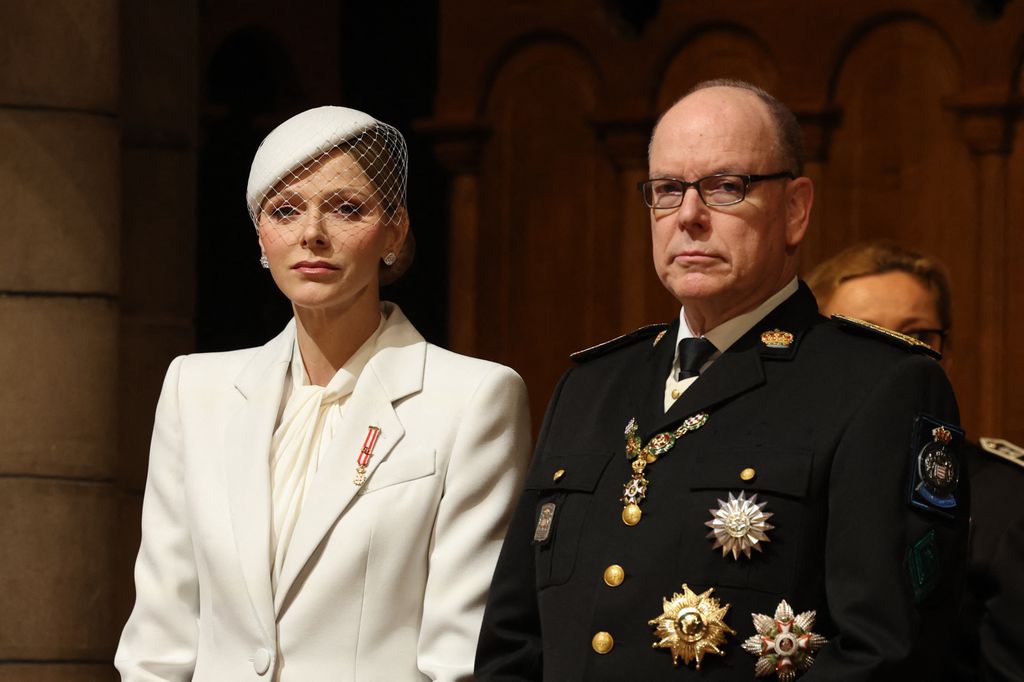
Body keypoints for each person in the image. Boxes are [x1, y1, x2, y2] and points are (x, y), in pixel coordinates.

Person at [475, 80, 968, 681]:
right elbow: (512, 640)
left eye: (726, 188)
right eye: (666, 190)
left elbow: (888, 655)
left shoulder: (877, 386)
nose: (688, 216)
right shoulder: (591, 386)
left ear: (795, 209)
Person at [115, 106, 532, 681]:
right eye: (285, 210)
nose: (312, 233)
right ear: (262, 235)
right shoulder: (196, 390)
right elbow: (158, 642)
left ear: (395, 230)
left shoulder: (472, 399)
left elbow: (460, 657)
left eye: (346, 208)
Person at [807, 241, 1024, 682]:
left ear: (951, 355)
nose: (898, 359)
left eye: (919, 336)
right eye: (865, 336)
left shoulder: (1005, 499)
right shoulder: (776, 481)